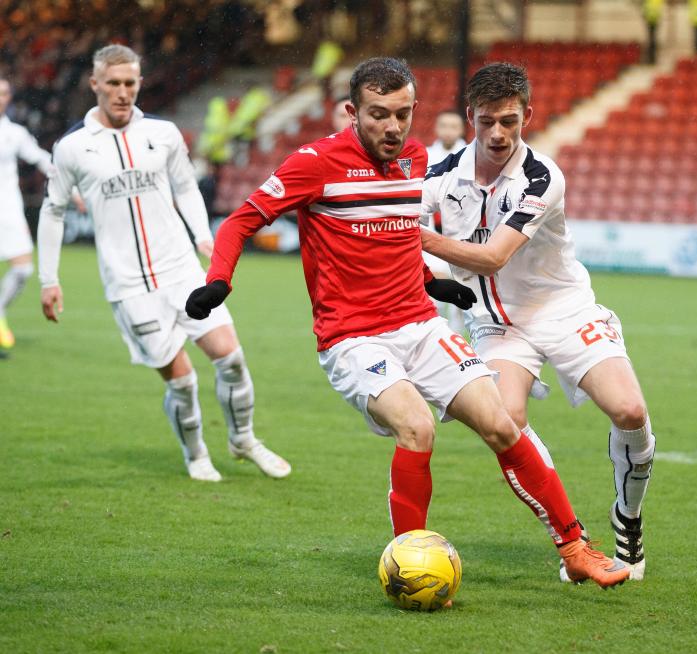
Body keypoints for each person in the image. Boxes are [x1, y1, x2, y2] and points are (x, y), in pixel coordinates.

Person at [186, 57, 629, 588]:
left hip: (420, 325)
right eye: (378, 115)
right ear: (352, 111)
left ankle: (575, 547)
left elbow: (391, 234)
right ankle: (408, 569)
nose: (392, 128)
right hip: (351, 337)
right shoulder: (314, 163)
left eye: (402, 114)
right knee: (416, 427)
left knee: (501, 424)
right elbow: (240, 220)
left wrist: (428, 280)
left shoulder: (415, 160)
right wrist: (219, 281)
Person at [420, 63, 655, 581]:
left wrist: (418, 241)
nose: (498, 133)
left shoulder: (541, 177)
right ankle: (573, 537)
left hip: (563, 308)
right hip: (497, 323)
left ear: (528, 114)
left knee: (630, 410)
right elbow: (398, 226)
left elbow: (494, 256)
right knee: (504, 419)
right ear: (470, 118)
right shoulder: (440, 175)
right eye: (487, 122)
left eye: (509, 120)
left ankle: (628, 519)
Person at [37, 44, 292, 482]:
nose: (122, 92)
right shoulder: (73, 147)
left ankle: (244, 438)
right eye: (113, 83)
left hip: (180, 270)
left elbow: (186, 188)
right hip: (129, 285)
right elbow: (53, 210)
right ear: (95, 83)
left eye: (130, 83)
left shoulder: (164, 133)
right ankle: (196, 455)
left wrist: (202, 236)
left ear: (140, 82)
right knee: (182, 381)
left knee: (231, 358)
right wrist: (49, 278)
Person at [0, 75, 56, 353]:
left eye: (3, 93)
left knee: (23, 269)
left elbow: (40, 158)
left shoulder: (15, 133)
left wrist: (67, 182)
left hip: (7, 209)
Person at [424, 110, 468, 334]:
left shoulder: (472, 156)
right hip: (431, 236)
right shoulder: (425, 157)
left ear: (461, 129)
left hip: (464, 237)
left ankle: (458, 342)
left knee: (463, 300)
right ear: (436, 128)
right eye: (444, 125)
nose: (448, 130)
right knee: (436, 296)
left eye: (453, 126)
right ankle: (437, 340)